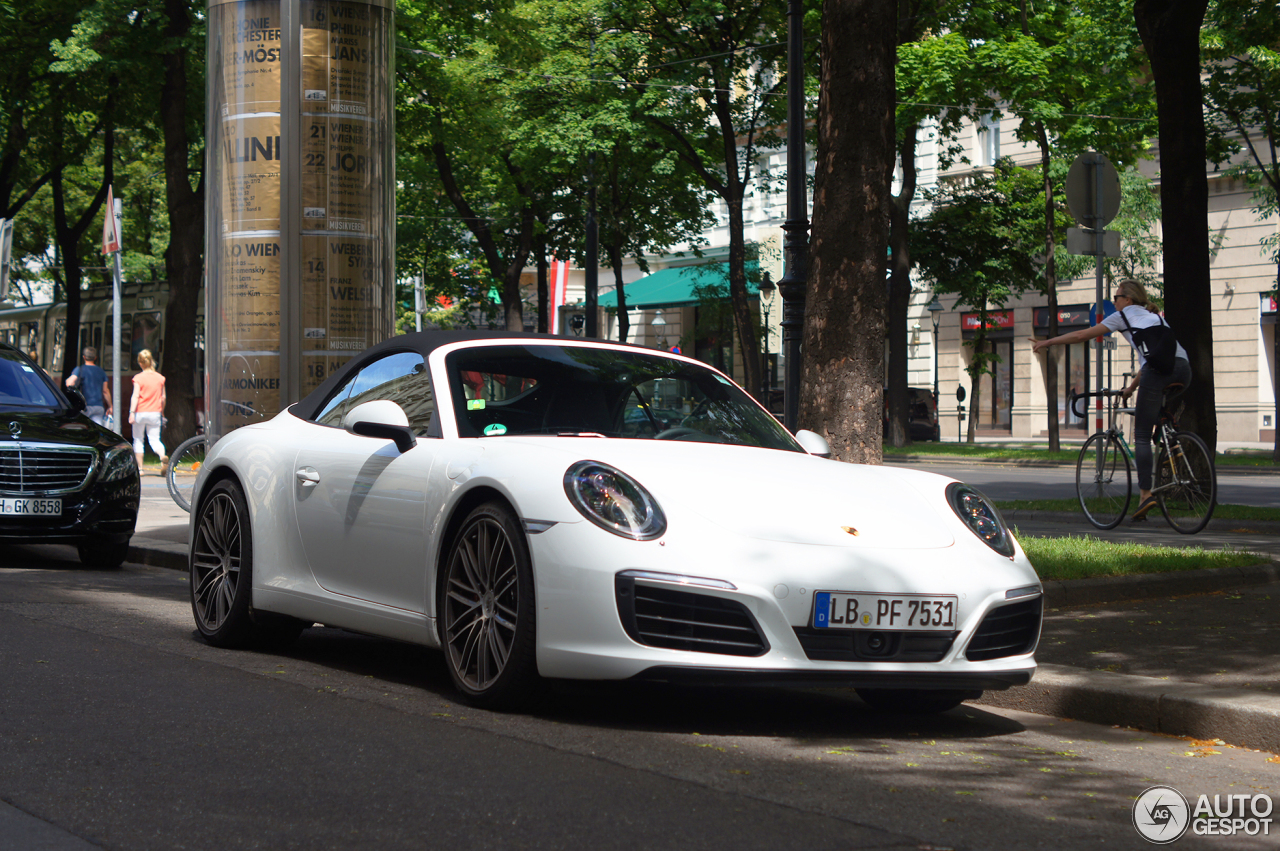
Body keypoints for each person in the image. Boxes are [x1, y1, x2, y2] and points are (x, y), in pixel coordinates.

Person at [1030, 279, 1192, 521]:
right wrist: (1130, 389)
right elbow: (1155, 360)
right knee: (1156, 410)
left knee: (1141, 435)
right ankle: (1172, 440)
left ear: (1127, 300)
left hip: (1158, 373)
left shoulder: (1122, 316)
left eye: (1116, 298)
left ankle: (1146, 493)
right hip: (1183, 370)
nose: (1114, 302)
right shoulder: (1156, 317)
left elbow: (1082, 334)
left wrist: (1048, 342)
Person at [128, 349, 167, 474]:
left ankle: (140, 468)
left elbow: (135, 396)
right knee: (155, 439)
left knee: (138, 439)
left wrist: (131, 412)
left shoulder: (138, 378)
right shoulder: (160, 378)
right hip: (155, 412)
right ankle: (162, 457)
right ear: (151, 361)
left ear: (140, 363)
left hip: (140, 412)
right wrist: (162, 411)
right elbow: (163, 397)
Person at [66, 347, 112, 427]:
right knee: (97, 430)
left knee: (84, 429)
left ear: (84, 357)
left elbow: (69, 383)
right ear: (95, 358)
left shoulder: (79, 369)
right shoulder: (101, 371)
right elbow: (105, 391)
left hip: (85, 407)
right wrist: (110, 406)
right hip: (98, 407)